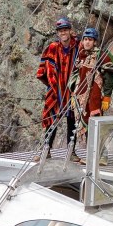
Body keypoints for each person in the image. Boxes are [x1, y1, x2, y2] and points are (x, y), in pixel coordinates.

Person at [69, 27, 113, 161]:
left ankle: (102, 156)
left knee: (95, 124)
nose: (87, 42)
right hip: (81, 97)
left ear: (95, 42)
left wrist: (107, 96)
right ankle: (95, 156)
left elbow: (111, 75)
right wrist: (73, 92)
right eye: (85, 39)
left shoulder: (101, 55)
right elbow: (75, 75)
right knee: (87, 126)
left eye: (90, 40)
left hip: (95, 97)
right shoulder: (81, 55)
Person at [36, 16, 79, 158]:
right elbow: (42, 71)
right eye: (61, 31)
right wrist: (52, 85)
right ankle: (46, 150)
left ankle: (71, 152)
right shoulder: (52, 48)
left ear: (70, 31)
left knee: (72, 121)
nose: (63, 33)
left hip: (72, 90)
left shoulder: (78, 46)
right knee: (51, 119)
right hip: (56, 90)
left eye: (65, 30)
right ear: (57, 33)